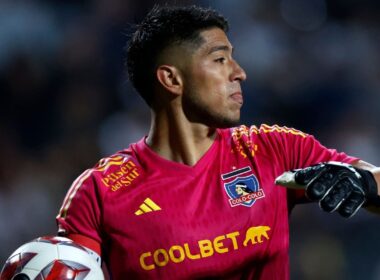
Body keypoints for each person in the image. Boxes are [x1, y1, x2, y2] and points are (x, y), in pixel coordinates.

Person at [56, 4, 380, 279]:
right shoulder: (100, 191)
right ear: (171, 79)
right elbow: (66, 268)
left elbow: (375, 179)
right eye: (220, 59)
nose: (239, 73)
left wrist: (363, 181)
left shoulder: (274, 149)